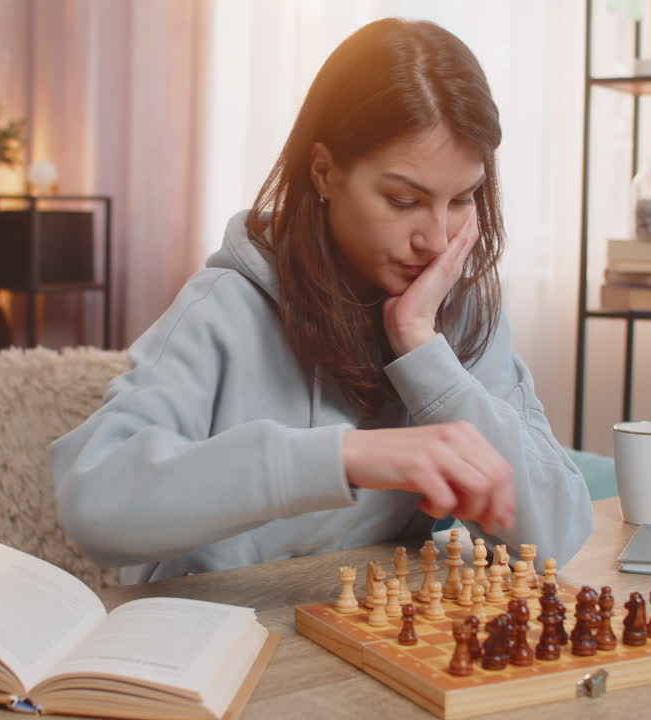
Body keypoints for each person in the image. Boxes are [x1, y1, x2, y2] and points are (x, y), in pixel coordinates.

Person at [51, 18, 592, 583]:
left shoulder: (457, 317)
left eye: (461, 199)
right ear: (325, 172)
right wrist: (347, 457)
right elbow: (94, 504)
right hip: (207, 646)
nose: (435, 240)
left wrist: (424, 353)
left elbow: (556, 535)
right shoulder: (224, 307)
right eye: (403, 199)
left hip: (361, 653)